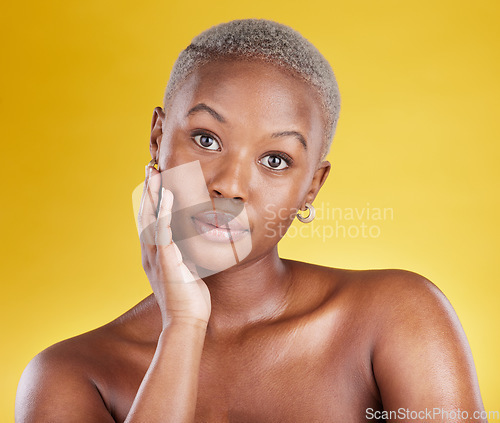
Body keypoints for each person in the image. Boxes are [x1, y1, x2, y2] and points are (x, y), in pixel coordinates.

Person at [15, 19, 486, 423]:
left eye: (276, 161)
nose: (230, 186)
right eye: (206, 139)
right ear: (158, 138)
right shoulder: (73, 374)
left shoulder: (397, 317)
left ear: (312, 188)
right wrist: (182, 326)